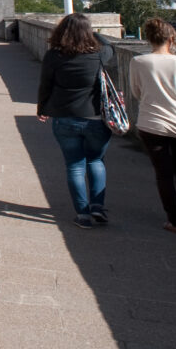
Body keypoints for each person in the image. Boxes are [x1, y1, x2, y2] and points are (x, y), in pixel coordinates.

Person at [36, 12, 111, 227]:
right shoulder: (99, 55)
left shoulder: (54, 56)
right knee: (95, 161)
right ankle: (98, 206)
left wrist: (42, 108)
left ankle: (83, 214)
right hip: (95, 117)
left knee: (75, 166)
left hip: (65, 116)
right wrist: (93, 33)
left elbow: (45, 84)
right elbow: (110, 46)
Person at [129, 17, 176, 233]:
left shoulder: (139, 62)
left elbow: (136, 92)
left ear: (149, 38)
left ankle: (174, 220)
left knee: (163, 173)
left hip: (153, 123)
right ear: (172, 39)